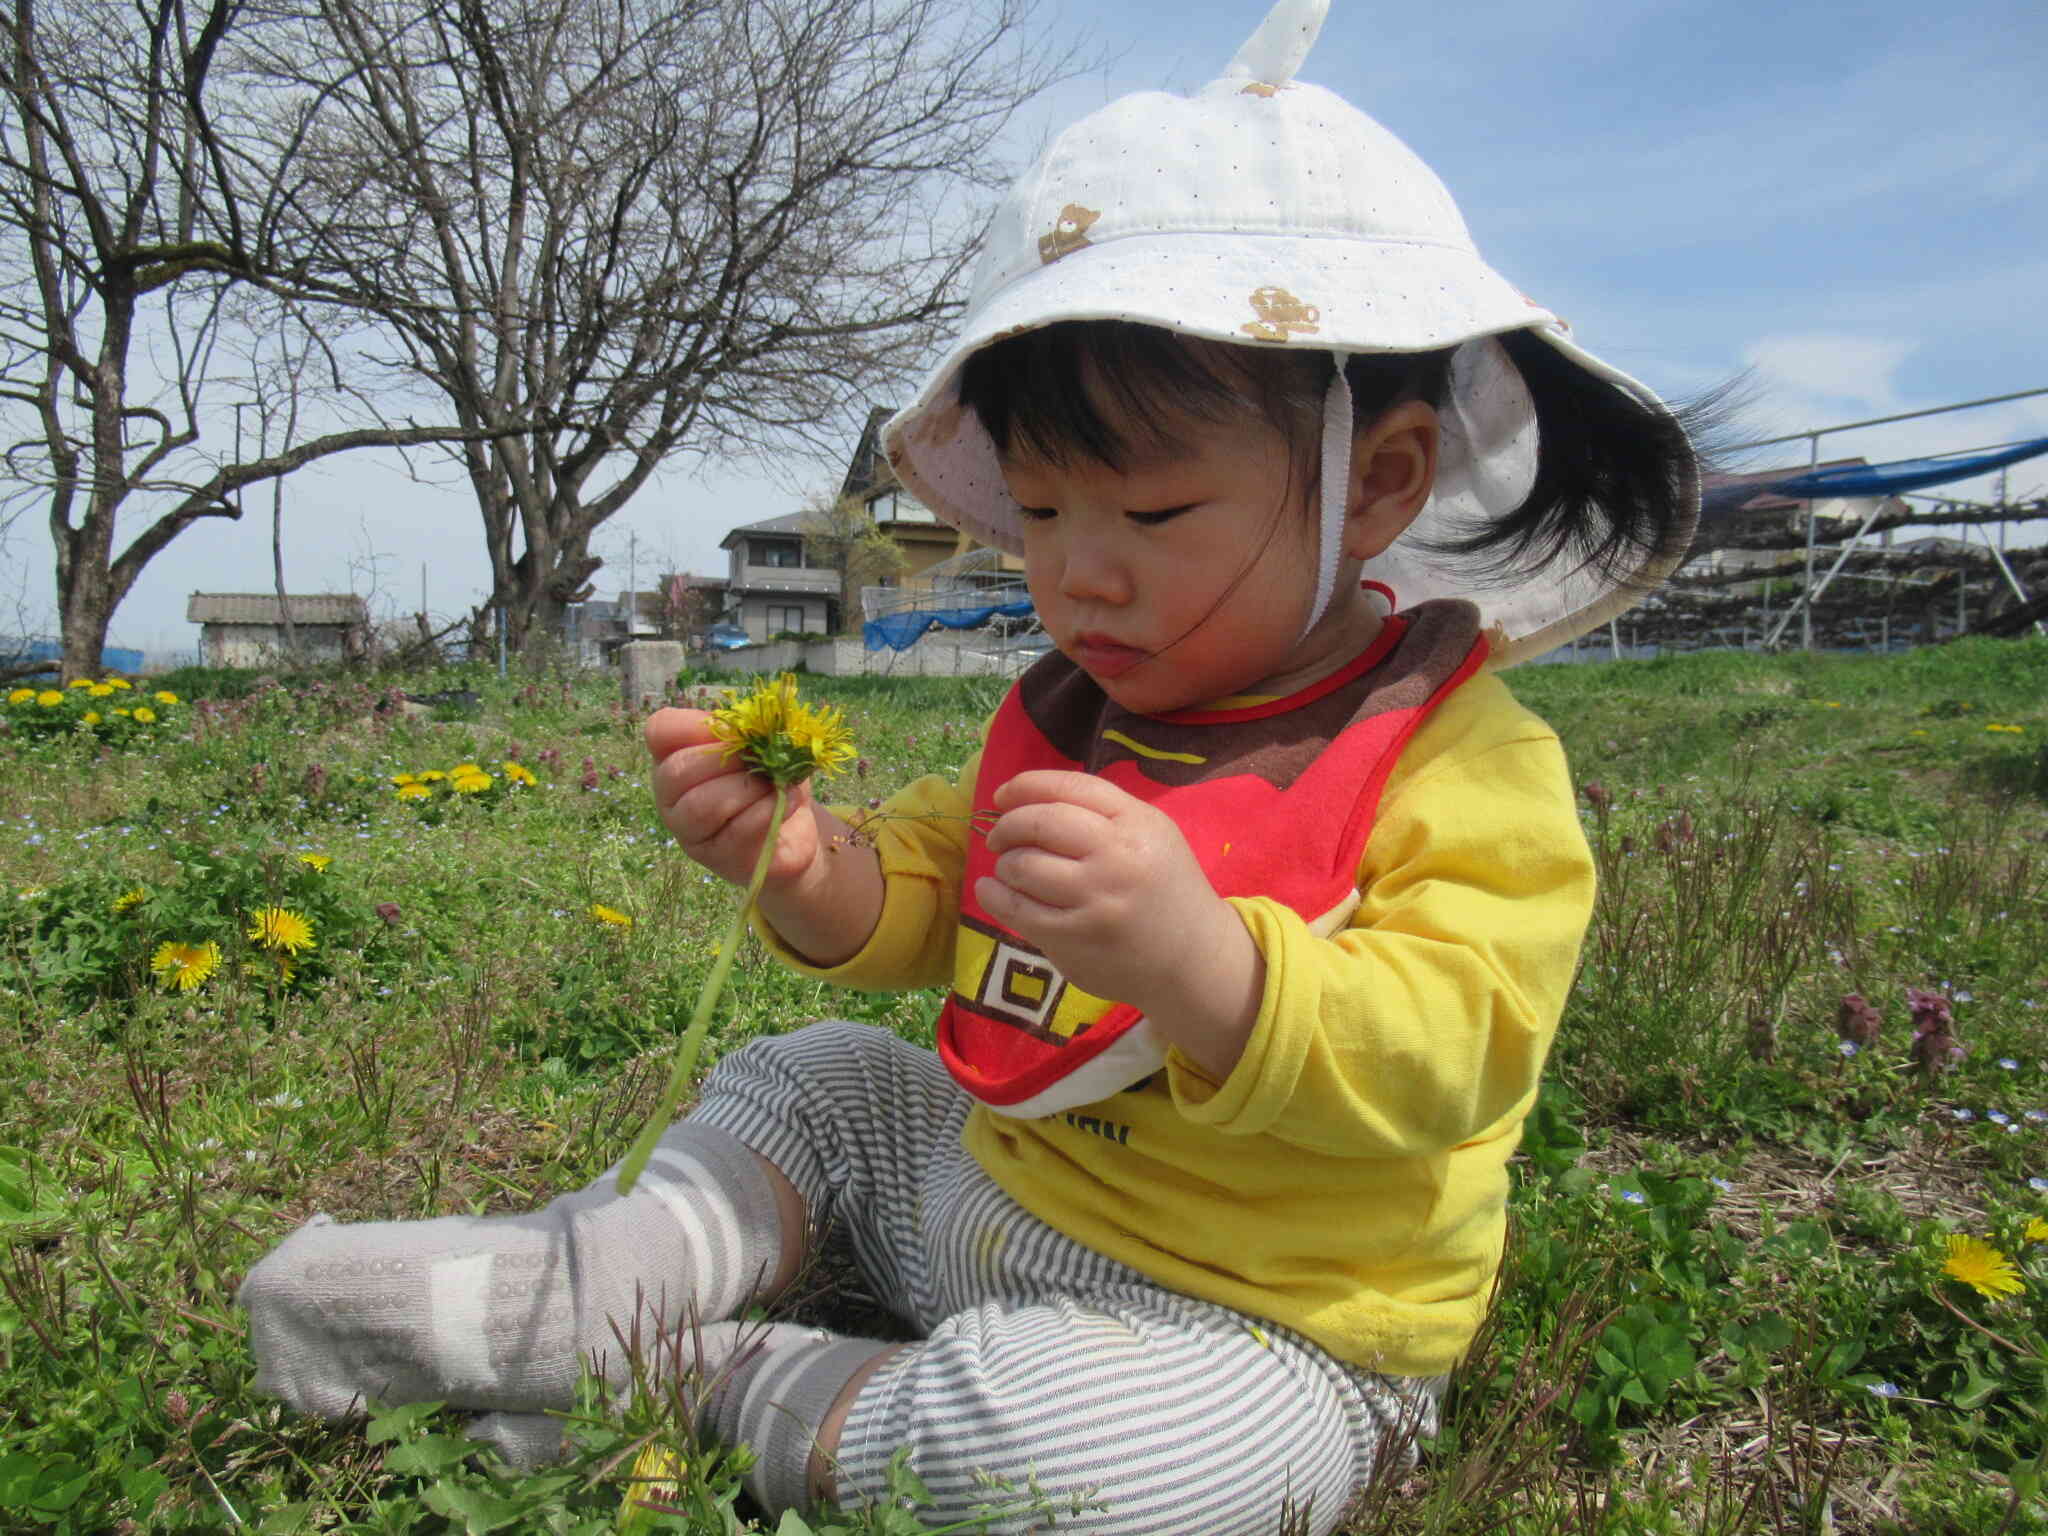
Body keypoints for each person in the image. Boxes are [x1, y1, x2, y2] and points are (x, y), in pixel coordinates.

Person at [238, 0, 1703, 1530]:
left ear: (1378, 482)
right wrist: (811, 869)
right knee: (814, 1080)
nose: (1082, 580)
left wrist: (1208, 961)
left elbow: (1458, 1047)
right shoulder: (1079, 710)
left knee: (1107, 1480)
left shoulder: (1457, 762)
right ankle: (586, 1284)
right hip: (985, 1185)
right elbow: (942, 881)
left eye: (1148, 519)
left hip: (1257, 1317)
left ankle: (700, 1375)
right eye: (1045, 514)